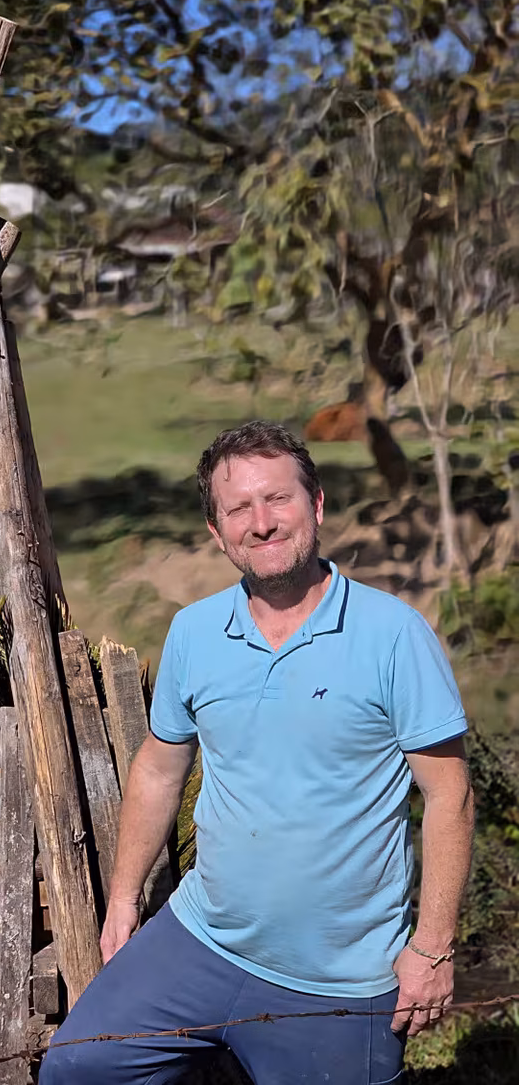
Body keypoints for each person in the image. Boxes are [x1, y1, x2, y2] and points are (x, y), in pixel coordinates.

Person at [40, 421, 474, 1085]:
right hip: (201, 941)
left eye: (277, 499)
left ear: (317, 505)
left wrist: (433, 948)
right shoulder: (194, 632)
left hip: (339, 980)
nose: (262, 523)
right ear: (217, 532)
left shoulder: (393, 635)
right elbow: (159, 768)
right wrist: (125, 898)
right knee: (78, 1068)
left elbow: (450, 796)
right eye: (239, 508)